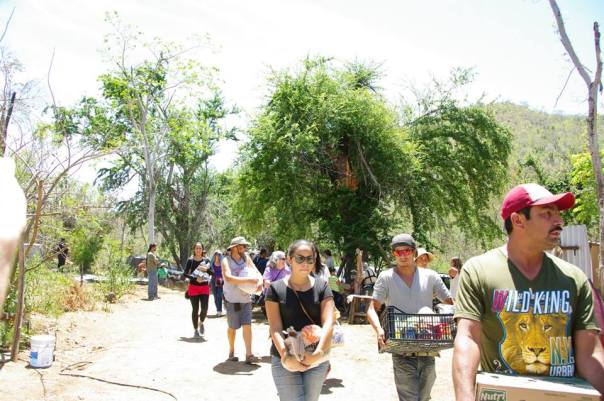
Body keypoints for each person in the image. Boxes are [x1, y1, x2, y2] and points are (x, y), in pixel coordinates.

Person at [453, 183, 604, 401]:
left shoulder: (573, 278)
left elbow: (589, 353)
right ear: (518, 220)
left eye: (558, 214)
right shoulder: (479, 272)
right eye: (547, 214)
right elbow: (467, 340)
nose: (559, 221)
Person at [367, 233, 453, 401]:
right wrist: (378, 329)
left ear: (414, 252)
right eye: (398, 252)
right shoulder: (386, 277)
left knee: (425, 397)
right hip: (401, 349)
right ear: (394, 254)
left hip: (428, 347)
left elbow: (450, 303)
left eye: (406, 251)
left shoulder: (431, 276)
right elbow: (372, 308)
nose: (403, 255)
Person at [265, 239, 335, 401]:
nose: (305, 263)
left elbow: (328, 324)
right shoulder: (275, 289)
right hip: (285, 357)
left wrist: (317, 354)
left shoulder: (323, 287)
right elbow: (275, 328)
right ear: (289, 260)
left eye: (310, 259)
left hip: (316, 358)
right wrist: (286, 356)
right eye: (300, 258)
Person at [222, 236, 263, 363]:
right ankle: (231, 350)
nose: (245, 248)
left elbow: (257, 273)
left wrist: (260, 282)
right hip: (232, 300)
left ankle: (249, 355)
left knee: (247, 325)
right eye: (242, 246)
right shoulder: (226, 261)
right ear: (234, 247)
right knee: (232, 328)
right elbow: (228, 278)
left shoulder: (246, 258)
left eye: (245, 246)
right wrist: (248, 280)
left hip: (246, 299)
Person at [183, 242, 212, 338]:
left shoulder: (207, 260)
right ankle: (195, 330)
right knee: (195, 310)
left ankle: (201, 322)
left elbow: (212, 273)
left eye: (200, 248)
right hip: (193, 287)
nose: (198, 250)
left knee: (204, 308)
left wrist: (206, 270)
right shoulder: (190, 260)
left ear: (202, 249)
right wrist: (195, 279)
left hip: (204, 287)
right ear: (194, 249)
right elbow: (185, 274)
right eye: (197, 248)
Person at [210, 251, 225, 317]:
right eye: (216, 254)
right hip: (213, 280)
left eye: (219, 254)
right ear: (214, 255)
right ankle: (218, 310)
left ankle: (220, 310)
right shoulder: (211, 264)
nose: (218, 255)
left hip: (220, 280)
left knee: (219, 296)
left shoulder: (223, 264)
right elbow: (209, 272)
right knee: (215, 296)